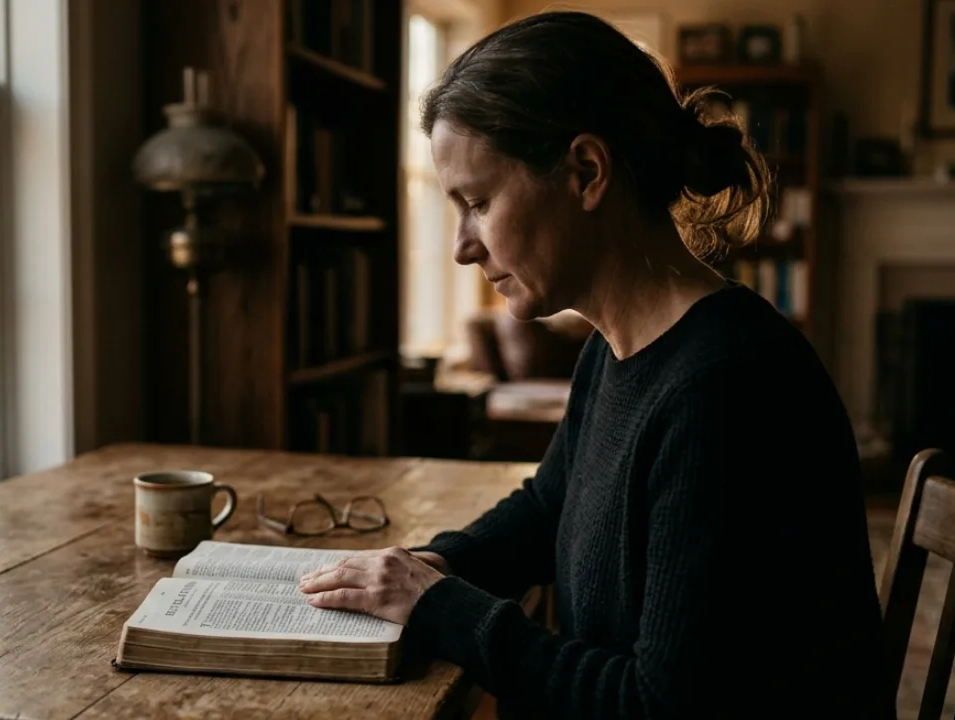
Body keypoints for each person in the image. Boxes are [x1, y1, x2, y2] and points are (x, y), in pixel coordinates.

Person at [297, 10, 889, 719]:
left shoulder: (727, 389)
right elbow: (552, 505)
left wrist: (444, 610)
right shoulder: (618, 346)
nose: (462, 246)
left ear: (586, 171)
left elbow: (656, 706)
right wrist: (436, 565)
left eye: (479, 203)